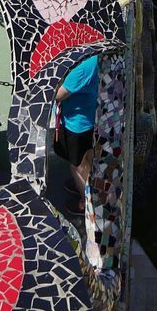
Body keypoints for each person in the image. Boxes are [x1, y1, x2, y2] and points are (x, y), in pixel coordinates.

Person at [55, 53, 99, 214]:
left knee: (77, 166)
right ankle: (85, 186)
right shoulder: (92, 58)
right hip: (87, 118)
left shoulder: (82, 67)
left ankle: (85, 202)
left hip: (77, 125)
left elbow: (58, 94)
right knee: (87, 158)